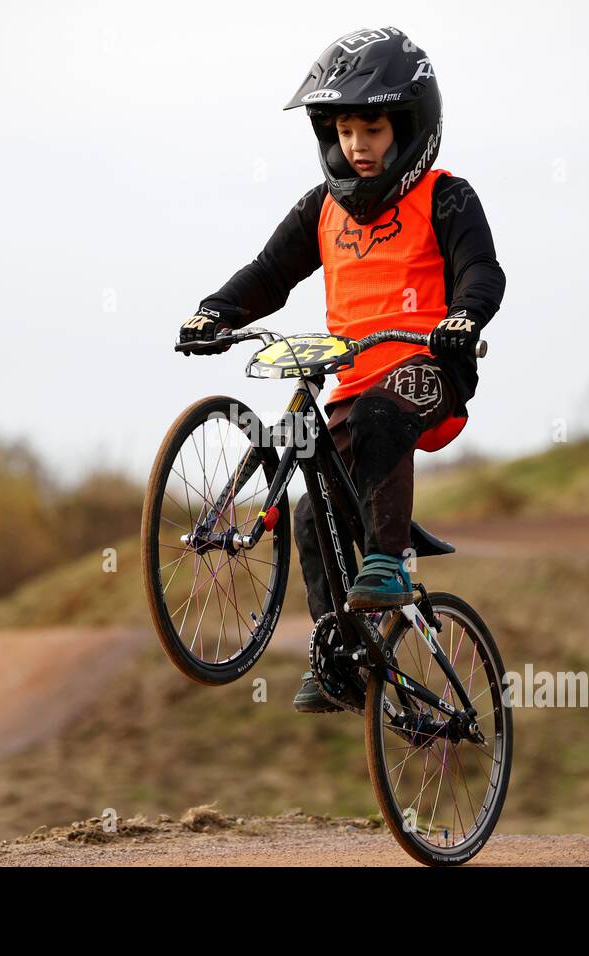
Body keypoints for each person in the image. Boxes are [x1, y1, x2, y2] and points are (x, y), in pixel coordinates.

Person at [178, 27, 506, 712]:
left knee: (388, 410)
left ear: (408, 127)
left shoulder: (446, 197)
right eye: (345, 129)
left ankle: (385, 565)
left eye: (374, 128)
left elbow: (482, 269)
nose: (357, 144)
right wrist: (216, 312)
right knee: (309, 509)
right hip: (352, 389)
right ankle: (343, 655)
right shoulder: (321, 209)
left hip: (427, 371)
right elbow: (270, 274)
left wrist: (465, 315)